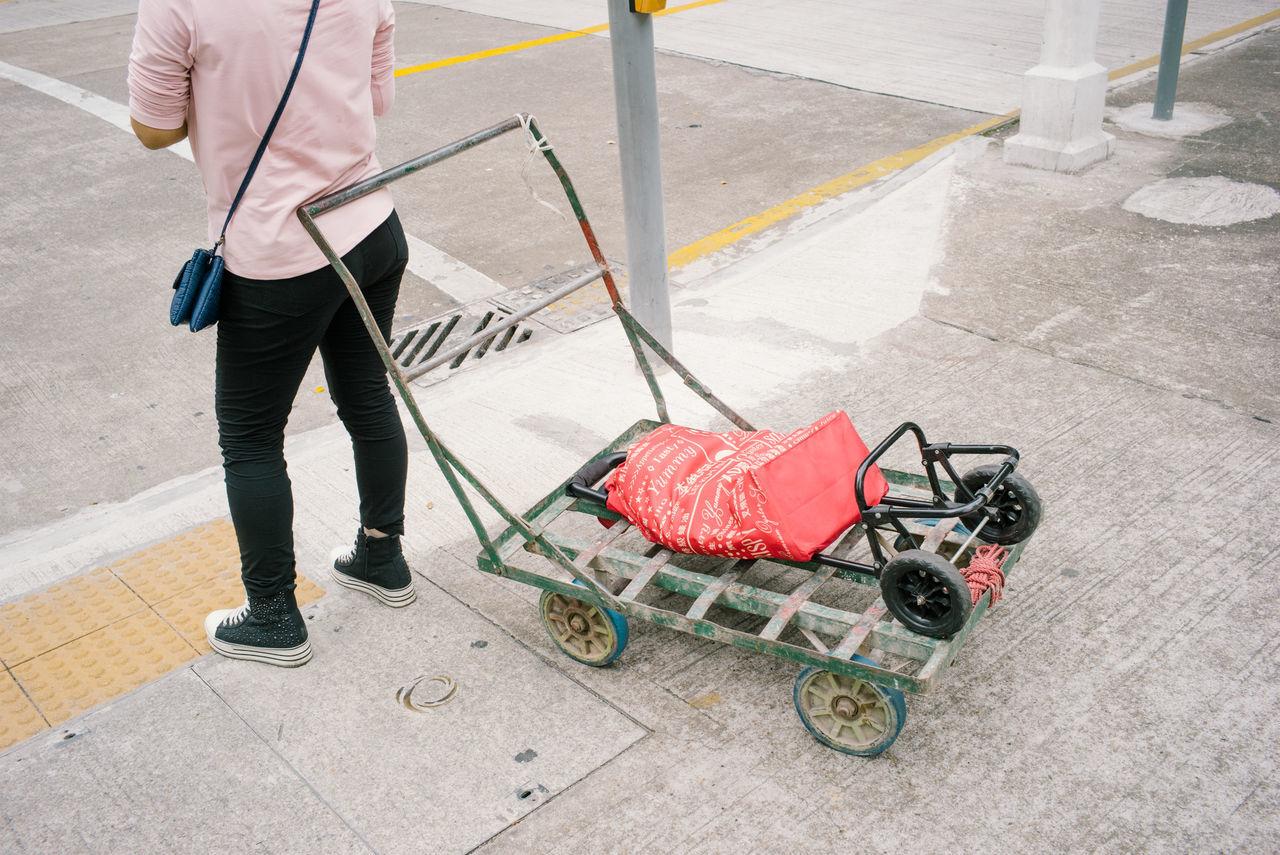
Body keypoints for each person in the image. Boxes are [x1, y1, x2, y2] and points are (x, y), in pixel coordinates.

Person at [128, 0, 415, 668]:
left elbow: (152, 128)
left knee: (251, 435)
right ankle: (381, 554)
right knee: (368, 395)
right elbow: (379, 97)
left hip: (281, 250)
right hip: (372, 222)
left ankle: (272, 615)